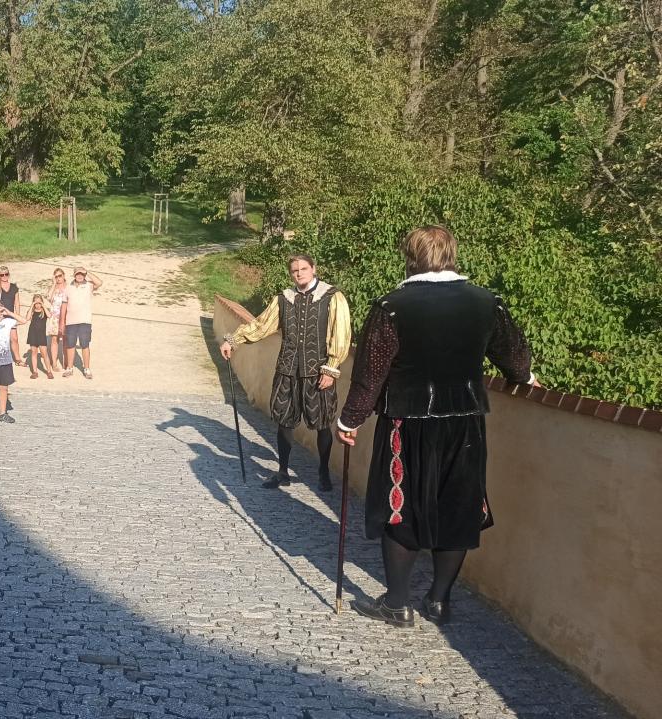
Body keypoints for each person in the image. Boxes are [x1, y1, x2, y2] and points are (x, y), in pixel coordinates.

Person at [336, 226, 537, 628]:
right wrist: (526, 377)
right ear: (451, 254)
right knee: (458, 505)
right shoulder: (486, 303)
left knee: (400, 506)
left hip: (406, 422)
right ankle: (439, 600)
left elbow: (370, 373)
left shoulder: (392, 306)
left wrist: (350, 418)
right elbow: (516, 359)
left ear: (410, 257)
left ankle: (397, 603)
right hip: (465, 423)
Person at [220, 254, 351, 491]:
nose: (299, 273)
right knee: (284, 422)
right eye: (294, 270)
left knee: (322, 423)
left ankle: (323, 471)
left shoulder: (332, 297)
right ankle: (282, 472)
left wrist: (331, 368)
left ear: (313, 269)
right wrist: (233, 340)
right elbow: (261, 325)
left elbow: (340, 334)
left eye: (303, 269)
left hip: (319, 371)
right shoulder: (284, 299)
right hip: (287, 370)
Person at [60, 266, 102, 379]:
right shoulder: (68, 287)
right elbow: (64, 306)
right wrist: (62, 322)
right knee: (70, 345)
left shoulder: (88, 285)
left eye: (82, 274)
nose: (80, 276)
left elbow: (99, 283)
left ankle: (86, 369)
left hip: (85, 321)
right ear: (74, 275)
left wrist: (87, 272)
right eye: (78, 274)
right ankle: (69, 368)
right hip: (70, 321)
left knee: (85, 345)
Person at [0, 265, 24, 366]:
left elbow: (17, 302)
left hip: (11, 315)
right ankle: (1, 358)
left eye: (6, 274)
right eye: (1, 275)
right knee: (1, 338)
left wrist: (17, 315)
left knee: (14, 338)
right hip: (0, 316)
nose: (4, 276)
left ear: (9, 274)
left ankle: (18, 359)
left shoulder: (14, 287)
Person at [23, 294, 55, 379]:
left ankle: (49, 371)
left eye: (39, 303)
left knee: (44, 353)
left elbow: (49, 316)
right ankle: (35, 372)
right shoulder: (32, 311)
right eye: (36, 303)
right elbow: (27, 318)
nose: (38, 305)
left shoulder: (44, 311)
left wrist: (43, 305)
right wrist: (32, 305)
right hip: (32, 334)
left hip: (41, 335)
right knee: (34, 352)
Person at [47, 267, 68, 370]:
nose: (58, 278)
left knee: (65, 340)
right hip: (55, 317)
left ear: (64, 275)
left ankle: (66, 362)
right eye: (56, 276)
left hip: (66, 316)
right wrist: (54, 284)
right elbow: (48, 298)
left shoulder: (68, 287)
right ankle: (54, 364)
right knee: (54, 340)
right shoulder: (54, 288)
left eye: (60, 275)